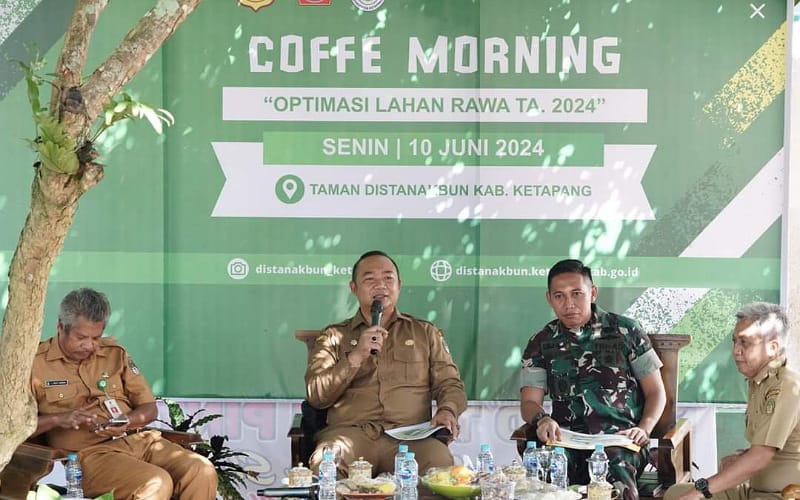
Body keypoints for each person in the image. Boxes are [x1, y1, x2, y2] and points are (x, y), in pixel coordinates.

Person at [30, 288, 217, 499]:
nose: (89, 345)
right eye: (81, 337)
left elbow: (149, 408)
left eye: (96, 337)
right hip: (91, 456)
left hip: (141, 440)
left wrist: (126, 420)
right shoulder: (35, 364)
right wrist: (58, 419)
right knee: (155, 483)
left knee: (201, 471)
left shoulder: (114, 354)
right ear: (60, 327)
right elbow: (12, 428)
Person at [305, 250, 467, 476]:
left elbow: (450, 383)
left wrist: (448, 410)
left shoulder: (424, 333)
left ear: (399, 285)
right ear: (354, 288)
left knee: (440, 464)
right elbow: (317, 395)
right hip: (351, 435)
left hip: (411, 438)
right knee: (328, 462)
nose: (380, 285)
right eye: (370, 279)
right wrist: (356, 356)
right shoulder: (333, 336)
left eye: (388, 278)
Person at [519, 259, 667, 500]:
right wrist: (541, 419)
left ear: (593, 293)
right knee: (545, 475)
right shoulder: (541, 342)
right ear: (549, 299)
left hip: (619, 440)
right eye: (559, 296)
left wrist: (645, 427)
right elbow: (529, 403)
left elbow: (656, 392)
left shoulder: (626, 331)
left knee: (613, 474)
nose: (569, 304)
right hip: (566, 439)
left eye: (577, 294)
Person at [665, 302, 800, 500]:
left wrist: (700, 490)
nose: (736, 351)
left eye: (745, 343)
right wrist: (741, 457)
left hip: (783, 494)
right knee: (675, 493)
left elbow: (761, 456)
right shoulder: (759, 382)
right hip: (754, 489)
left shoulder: (785, 386)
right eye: (735, 341)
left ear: (773, 347)